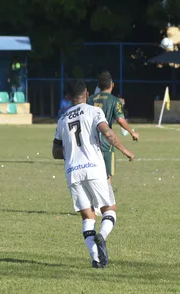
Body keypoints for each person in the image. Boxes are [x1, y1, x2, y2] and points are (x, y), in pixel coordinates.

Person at [52, 79, 134, 268]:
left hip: (72, 171)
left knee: (88, 217)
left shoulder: (62, 120)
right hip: (94, 169)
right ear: (87, 94)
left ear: (68, 97)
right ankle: (102, 237)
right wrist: (124, 150)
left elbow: (55, 152)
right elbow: (108, 133)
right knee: (109, 210)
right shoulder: (94, 111)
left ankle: (96, 260)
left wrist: (70, 149)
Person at [87, 71, 139, 182]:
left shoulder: (90, 99)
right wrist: (132, 132)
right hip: (106, 142)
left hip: (89, 142)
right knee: (107, 177)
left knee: (92, 175)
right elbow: (120, 119)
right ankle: (107, 197)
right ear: (112, 85)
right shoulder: (114, 101)